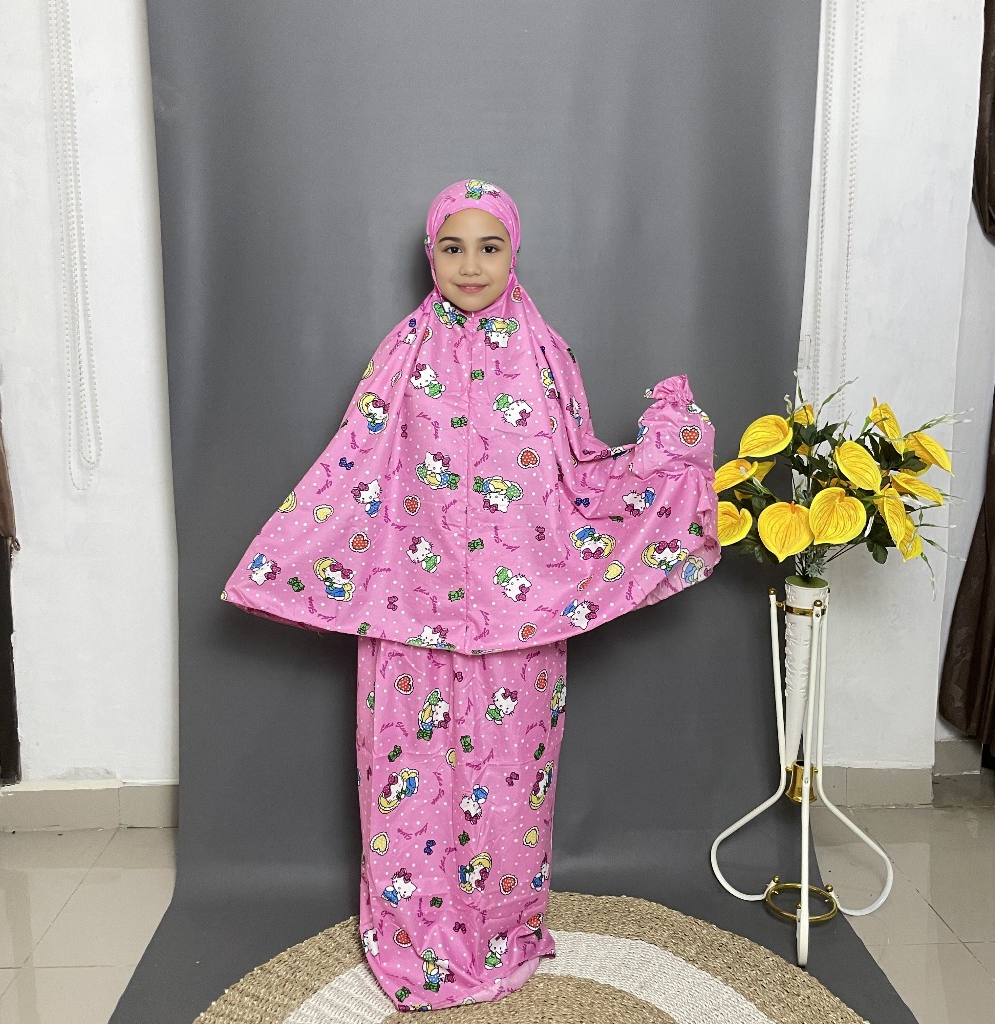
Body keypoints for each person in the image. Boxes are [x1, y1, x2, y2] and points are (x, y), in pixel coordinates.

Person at [221, 178, 719, 1010]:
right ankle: (415, 943)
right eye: (453, 248)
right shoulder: (401, 353)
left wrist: (666, 455)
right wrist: (289, 556)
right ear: (430, 255)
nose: (471, 265)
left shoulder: (548, 353)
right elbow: (355, 465)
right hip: (409, 615)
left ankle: (500, 935)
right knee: (407, 787)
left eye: (490, 247)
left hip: (520, 622)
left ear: (514, 251)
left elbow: (579, 472)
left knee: (511, 790)